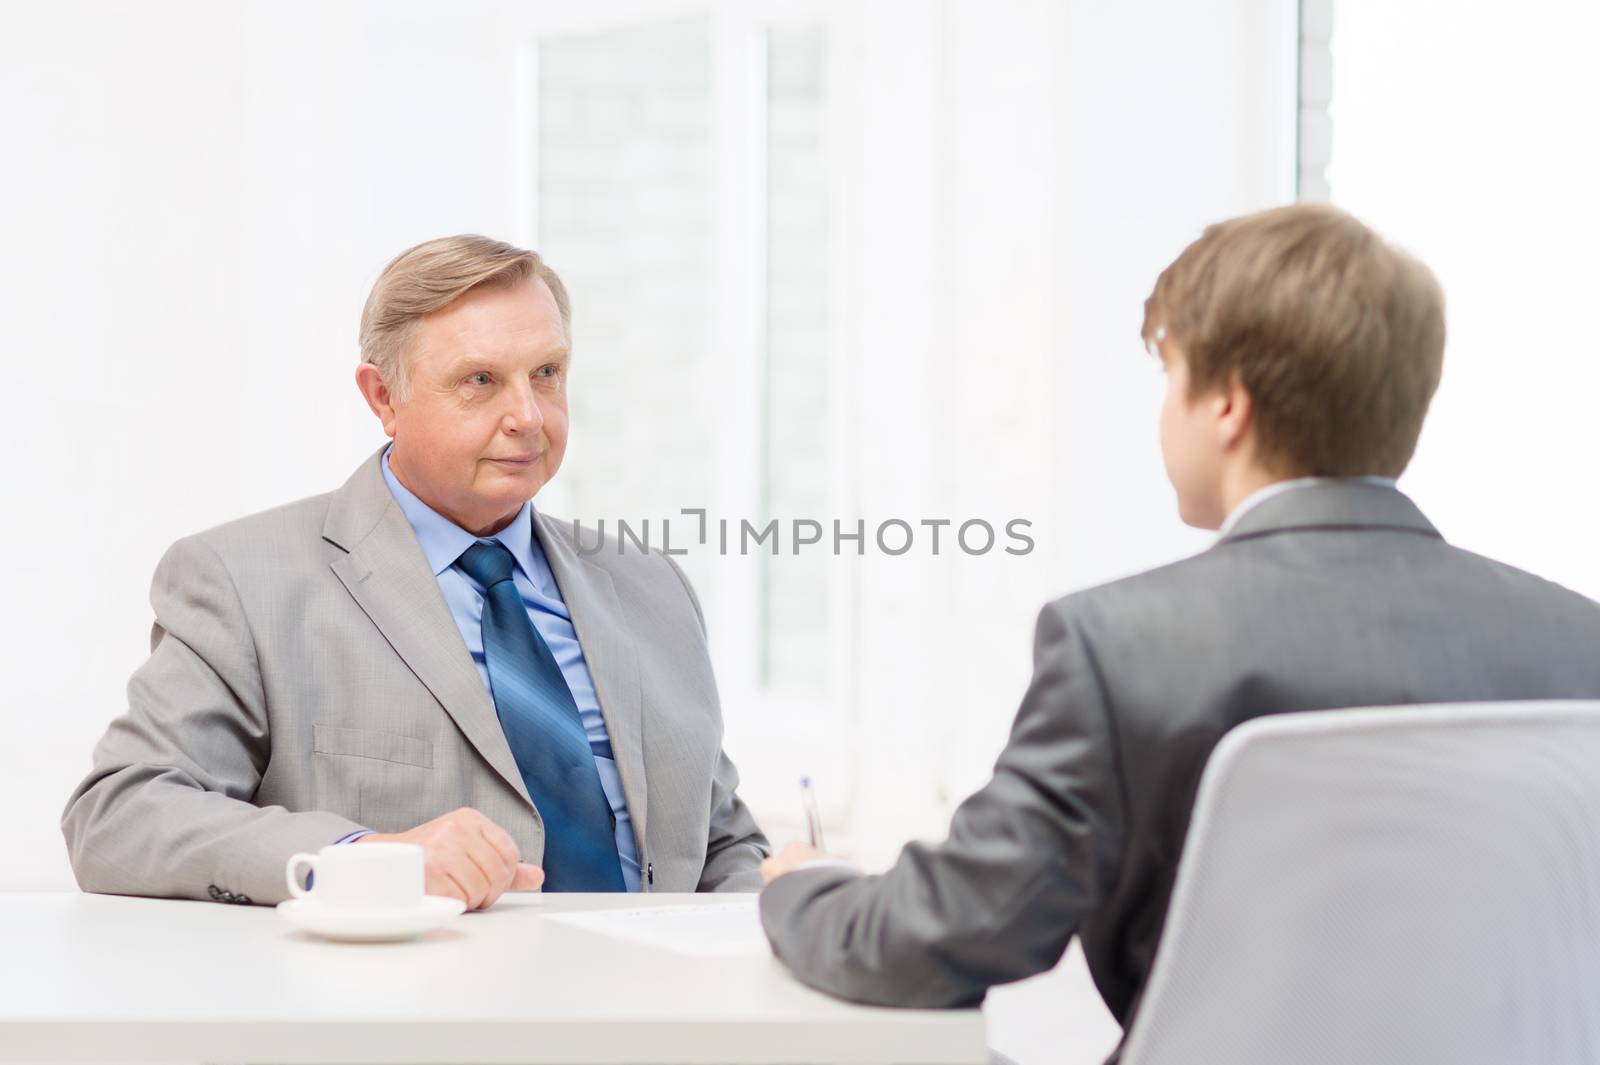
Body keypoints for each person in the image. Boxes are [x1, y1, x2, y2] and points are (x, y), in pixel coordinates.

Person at [757, 204, 1600, 1055]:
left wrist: (808, 887)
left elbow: (946, 934)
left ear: (1227, 403)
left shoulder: (1120, 648)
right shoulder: (1580, 644)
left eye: (1171, 377)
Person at [63, 235, 769, 908]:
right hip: (413, 1019)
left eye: (547, 373)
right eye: (481, 381)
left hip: (660, 1018)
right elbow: (119, 814)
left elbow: (720, 844)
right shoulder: (244, 581)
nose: (528, 415)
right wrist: (363, 858)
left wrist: (787, 904)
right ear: (383, 399)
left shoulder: (650, 587)